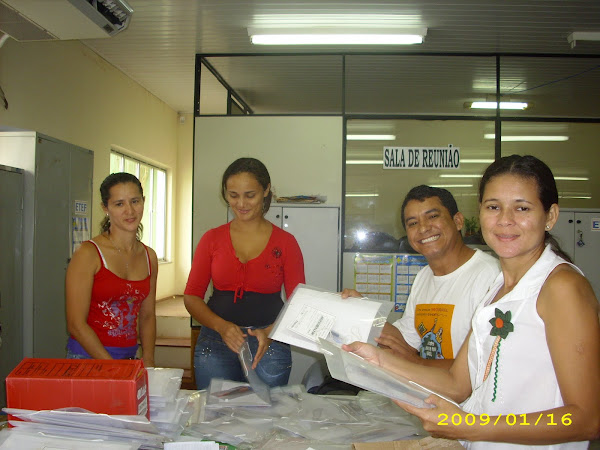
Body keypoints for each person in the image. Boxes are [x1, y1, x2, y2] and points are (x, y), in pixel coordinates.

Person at [344, 155, 600, 448]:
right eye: (493, 207)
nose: (505, 220)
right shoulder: (498, 288)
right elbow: (456, 384)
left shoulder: (561, 287)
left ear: (550, 216)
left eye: (522, 208)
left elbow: (585, 419)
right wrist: (376, 359)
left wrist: (472, 426)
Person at [344, 185, 500, 367]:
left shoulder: (490, 275)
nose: (423, 228)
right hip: (431, 392)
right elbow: (406, 342)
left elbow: (487, 364)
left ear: (458, 221)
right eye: (412, 223)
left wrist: (417, 362)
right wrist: (364, 310)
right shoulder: (423, 276)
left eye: (433, 216)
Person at [184, 157, 305, 390]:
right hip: (216, 341)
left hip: (268, 343)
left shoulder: (286, 243)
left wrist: (270, 333)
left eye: (250, 195)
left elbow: (299, 302)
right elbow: (191, 297)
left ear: (266, 190)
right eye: (233, 195)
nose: (241, 203)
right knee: (215, 418)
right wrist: (221, 327)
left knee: (266, 418)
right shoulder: (212, 239)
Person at [66, 172, 158, 368]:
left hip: (129, 359)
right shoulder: (88, 253)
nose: (130, 211)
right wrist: (113, 368)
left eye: (135, 201)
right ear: (105, 208)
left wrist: (148, 359)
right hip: (88, 359)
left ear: (144, 201)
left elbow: (148, 315)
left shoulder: (149, 256)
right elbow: (76, 324)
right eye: (119, 204)